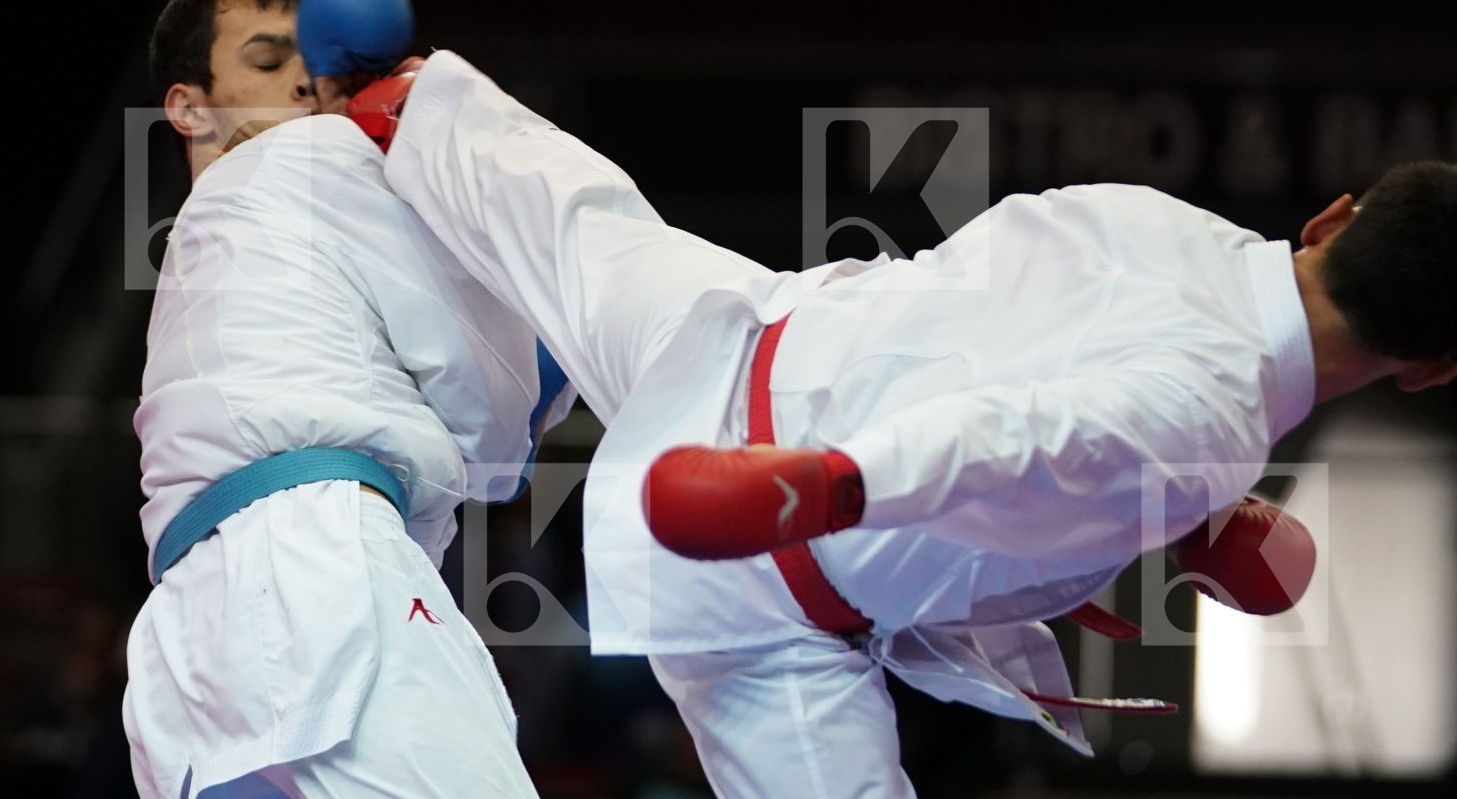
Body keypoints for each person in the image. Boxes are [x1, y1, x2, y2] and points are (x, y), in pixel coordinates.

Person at [371, 47, 1455, 799]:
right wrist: (826, 480)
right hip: (764, 581)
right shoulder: (1208, 424)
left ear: (1333, 216)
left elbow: (1036, 373)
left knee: (566, 207)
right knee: (577, 225)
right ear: (1432, 372)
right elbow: (1016, 430)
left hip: (731, 336)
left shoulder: (1161, 223)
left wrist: (1167, 523)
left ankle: (396, 95)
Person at [121, 0, 564, 799]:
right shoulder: (317, 155)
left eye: (314, 56)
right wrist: (548, 362)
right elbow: (491, 416)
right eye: (266, 59)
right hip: (317, 573)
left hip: (185, 640)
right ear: (187, 105)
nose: (303, 80)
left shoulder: (200, 242)